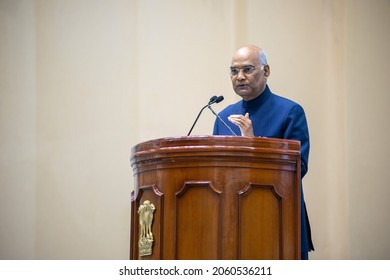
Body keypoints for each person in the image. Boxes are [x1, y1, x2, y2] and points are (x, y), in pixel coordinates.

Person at [213, 45, 314, 260]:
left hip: (278, 221)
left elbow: (297, 170)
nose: (239, 77)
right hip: (232, 225)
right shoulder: (223, 116)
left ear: (266, 71)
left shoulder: (289, 112)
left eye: (247, 70)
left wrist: (253, 145)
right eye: (234, 71)